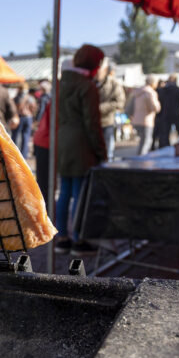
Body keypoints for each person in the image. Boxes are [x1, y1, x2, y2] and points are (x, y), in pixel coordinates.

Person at [56, 44, 106, 256]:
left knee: (65, 191)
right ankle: (78, 239)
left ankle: (62, 239)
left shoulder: (61, 82)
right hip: (82, 144)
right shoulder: (87, 86)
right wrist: (101, 152)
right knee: (79, 193)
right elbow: (92, 124)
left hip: (62, 140)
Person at [97, 59, 125, 161]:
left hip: (106, 123)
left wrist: (100, 108)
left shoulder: (114, 84)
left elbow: (120, 103)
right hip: (91, 124)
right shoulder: (90, 81)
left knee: (107, 153)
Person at [32, 80, 52, 210]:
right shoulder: (50, 100)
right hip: (45, 140)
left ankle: (43, 206)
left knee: (42, 179)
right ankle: (43, 208)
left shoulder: (48, 99)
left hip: (41, 139)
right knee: (45, 181)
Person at [130, 75, 161, 155]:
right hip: (147, 120)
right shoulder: (150, 92)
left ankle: (139, 157)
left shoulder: (138, 92)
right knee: (147, 141)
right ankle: (142, 158)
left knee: (142, 141)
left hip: (136, 120)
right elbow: (154, 107)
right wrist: (158, 106)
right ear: (153, 83)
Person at [155, 74, 179, 147]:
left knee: (165, 133)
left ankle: (164, 147)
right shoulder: (178, 90)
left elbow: (160, 101)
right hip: (176, 114)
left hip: (165, 114)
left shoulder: (163, 90)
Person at [12, 83, 36, 157]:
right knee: (26, 136)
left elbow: (15, 107)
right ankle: (24, 155)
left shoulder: (18, 97)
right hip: (29, 117)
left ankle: (15, 153)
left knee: (16, 136)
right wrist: (31, 113)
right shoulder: (30, 97)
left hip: (20, 117)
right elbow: (34, 107)